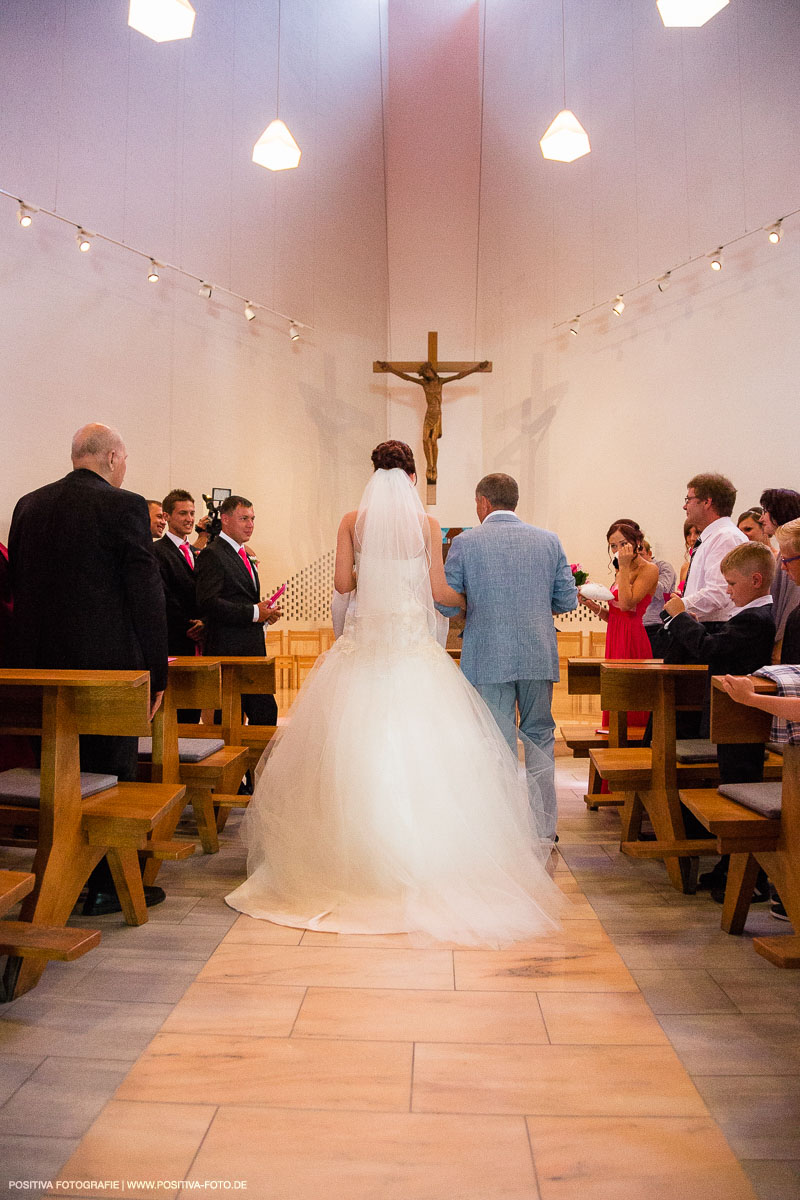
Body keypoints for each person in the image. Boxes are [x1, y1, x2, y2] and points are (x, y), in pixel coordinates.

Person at [225, 442, 564, 946]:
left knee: (353, 745)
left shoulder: (349, 520)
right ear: (410, 475)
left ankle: (351, 855)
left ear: (372, 474)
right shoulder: (428, 524)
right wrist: (474, 601)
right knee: (429, 746)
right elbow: (438, 594)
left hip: (367, 644)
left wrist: (373, 578)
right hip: (410, 646)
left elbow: (342, 584)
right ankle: (433, 855)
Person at [8, 422, 168, 915]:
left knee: (56, 775)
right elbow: (145, 592)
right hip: (107, 669)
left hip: (37, 671)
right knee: (108, 777)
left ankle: (62, 877)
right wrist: (156, 672)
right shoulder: (124, 505)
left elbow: (19, 585)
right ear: (113, 458)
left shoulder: (27, 505)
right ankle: (101, 885)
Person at [438, 472, 578, 840]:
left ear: (483, 502)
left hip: (488, 657)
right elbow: (566, 599)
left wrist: (473, 602)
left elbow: (445, 604)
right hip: (537, 655)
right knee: (540, 739)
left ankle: (503, 835)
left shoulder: (466, 543)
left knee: (496, 744)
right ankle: (543, 830)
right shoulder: (549, 541)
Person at [662, 541, 776, 783]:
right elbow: (721, 644)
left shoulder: (754, 619)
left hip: (740, 712)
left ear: (755, 580)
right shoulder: (751, 615)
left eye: (732, 583)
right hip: (734, 709)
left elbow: (710, 648)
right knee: (729, 769)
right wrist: (693, 624)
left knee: (739, 774)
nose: (728, 590)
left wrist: (681, 617)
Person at [195, 494, 281, 726]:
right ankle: (245, 761)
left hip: (249, 649)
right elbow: (208, 602)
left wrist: (264, 615)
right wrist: (254, 612)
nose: (250, 524)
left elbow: (239, 598)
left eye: (252, 519)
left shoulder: (242, 554)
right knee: (246, 716)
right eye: (244, 518)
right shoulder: (214, 553)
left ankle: (246, 761)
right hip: (229, 650)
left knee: (253, 714)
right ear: (225, 519)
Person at [580, 520, 658, 730]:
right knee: (614, 692)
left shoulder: (649, 569)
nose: (617, 550)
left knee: (630, 693)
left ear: (637, 542)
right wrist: (590, 603)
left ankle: (633, 740)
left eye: (622, 544)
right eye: (613, 546)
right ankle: (614, 734)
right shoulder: (620, 571)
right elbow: (614, 615)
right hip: (614, 635)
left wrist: (622, 568)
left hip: (633, 637)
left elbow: (626, 604)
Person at [375, 360, 489, 487]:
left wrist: (476, 368)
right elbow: (406, 378)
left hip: (437, 414)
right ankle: (429, 465)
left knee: (433, 441)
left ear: (431, 370)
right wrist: (390, 369)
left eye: (428, 371)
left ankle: (433, 466)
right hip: (429, 414)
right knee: (425, 440)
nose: (427, 374)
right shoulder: (424, 383)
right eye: (424, 373)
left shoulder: (440, 382)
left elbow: (458, 376)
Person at [759, 488, 800, 647]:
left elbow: (791, 605)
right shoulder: (784, 553)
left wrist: (779, 645)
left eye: (765, 511)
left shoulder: (793, 555)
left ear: (780, 511)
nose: (761, 518)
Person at [640, 539, 677, 657]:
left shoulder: (663, 567)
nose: (638, 560)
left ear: (649, 554)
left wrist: (646, 573)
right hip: (639, 627)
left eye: (641, 555)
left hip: (658, 626)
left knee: (656, 667)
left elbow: (663, 591)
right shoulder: (633, 571)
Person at [678, 520, 699, 593]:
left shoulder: (708, 564)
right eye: (689, 534)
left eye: (697, 533)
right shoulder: (685, 567)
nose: (692, 539)